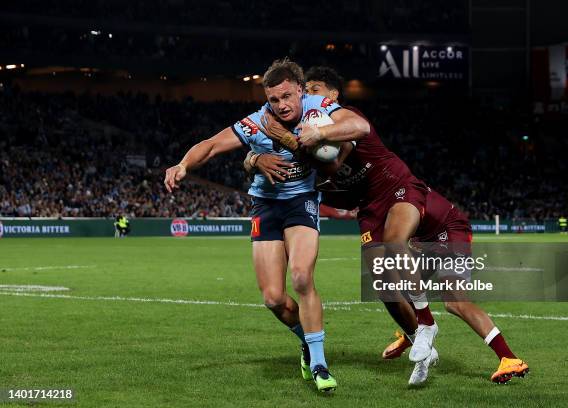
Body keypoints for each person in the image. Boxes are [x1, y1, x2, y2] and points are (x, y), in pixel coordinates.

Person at [248, 66, 529, 385]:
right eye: (305, 90)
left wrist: (296, 137)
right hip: (370, 209)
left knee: (429, 274)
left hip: (400, 191)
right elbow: (301, 172)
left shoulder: (341, 120)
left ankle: (442, 331)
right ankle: (416, 336)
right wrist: (255, 159)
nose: (307, 96)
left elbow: (337, 157)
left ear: (332, 95)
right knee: (382, 284)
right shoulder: (308, 138)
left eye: (313, 89)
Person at [165, 58, 370, 393]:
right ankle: (307, 341)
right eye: (274, 100)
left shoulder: (319, 108)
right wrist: (184, 164)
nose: (282, 105)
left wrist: (319, 133)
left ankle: (320, 363)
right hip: (265, 205)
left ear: (301, 91)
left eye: (287, 96)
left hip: (301, 201)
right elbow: (212, 144)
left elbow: (360, 127)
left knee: (302, 276)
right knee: (274, 298)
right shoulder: (258, 121)